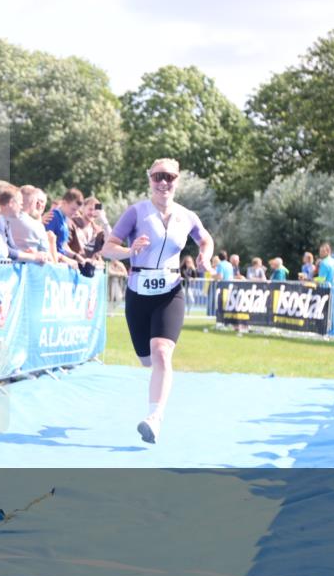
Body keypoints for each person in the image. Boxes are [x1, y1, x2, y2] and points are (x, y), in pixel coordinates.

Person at [102, 158, 213, 445]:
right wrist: (130, 250)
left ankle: (155, 418)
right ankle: (156, 392)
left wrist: (205, 255)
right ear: (149, 179)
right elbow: (107, 248)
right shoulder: (136, 212)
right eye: (158, 177)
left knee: (162, 352)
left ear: (177, 180)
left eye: (169, 177)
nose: (163, 182)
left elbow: (205, 240)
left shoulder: (186, 216)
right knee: (146, 359)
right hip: (138, 293)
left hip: (170, 291)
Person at [45, 188, 86, 268]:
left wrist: (75, 256)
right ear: (64, 203)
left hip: (60, 260)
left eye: (77, 210)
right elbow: (47, 245)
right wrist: (63, 259)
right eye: (73, 209)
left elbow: (62, 246)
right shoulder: (53, 217)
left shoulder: (65, 219)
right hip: (53, 263)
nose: (75, 213)